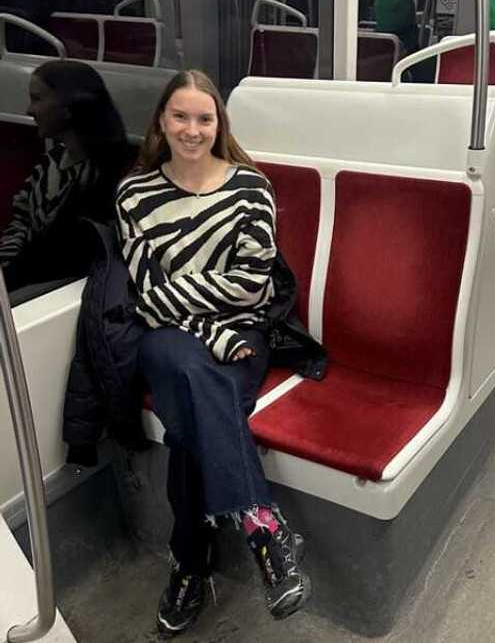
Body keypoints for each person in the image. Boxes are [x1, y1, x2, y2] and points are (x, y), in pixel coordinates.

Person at [116, 69, 310, 636]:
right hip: (172, 338)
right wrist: (210, 325)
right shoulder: (135, 194)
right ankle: (261, 524)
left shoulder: (250, 188)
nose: (192, 129)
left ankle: (189, 566)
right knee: (188, 367)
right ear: (161, 121)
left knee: (189, 421)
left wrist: (210, 324)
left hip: (240, 335)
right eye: (180, 116)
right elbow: (145, 293)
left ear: (219, 123)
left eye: (204, 118)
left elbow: (251, 285)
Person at [0, 60, 129, 294]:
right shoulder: (52, 161)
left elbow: (70, 263)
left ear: (69, 107)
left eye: (37, 99)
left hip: (56, 292)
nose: (29, 110)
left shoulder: (111, 178)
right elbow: (22, 222)